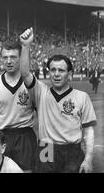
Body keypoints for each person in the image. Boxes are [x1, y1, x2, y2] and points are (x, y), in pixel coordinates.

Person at [19, 27, 97, 173]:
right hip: (46, 147)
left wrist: (88, 158)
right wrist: (25, 46)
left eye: (61, 70)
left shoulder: (82, 97)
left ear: (70, 74)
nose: (56, 74)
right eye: (53, 70)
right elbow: (24, 73)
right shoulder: (40, 91)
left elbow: (89, 130)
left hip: (72, 149)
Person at [0, 40, 37, 172]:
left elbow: (44, 114)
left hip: (24, 136)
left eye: (13, 57)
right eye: (5, 57)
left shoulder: (31, 83)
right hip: (1, 136)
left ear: (20, 58)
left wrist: (47, 147)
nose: (8, 61)